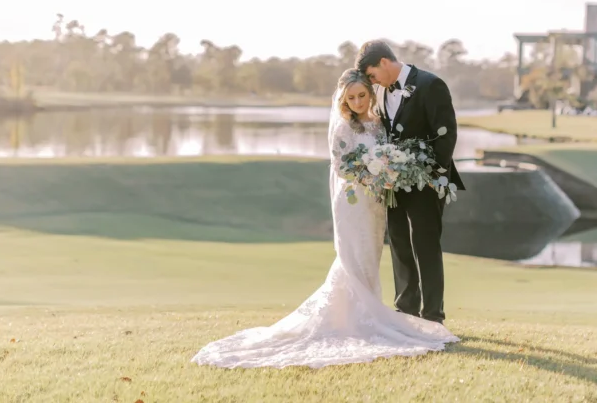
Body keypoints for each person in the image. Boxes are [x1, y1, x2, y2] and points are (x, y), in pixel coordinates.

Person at [191, 69, 458, 369]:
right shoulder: (344, 127)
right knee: (352, 259)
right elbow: (341, 167)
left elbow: (388, 152)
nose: (357, 101)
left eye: (362, 95)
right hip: (353, 202)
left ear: (370, 94)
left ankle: (365, 314)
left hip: (376, 204)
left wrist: (387, 173)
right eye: (351, 97)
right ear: (343, 100)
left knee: (370, 259)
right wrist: (372, 175)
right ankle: (355, 319)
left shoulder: (378, 123)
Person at [356, 40, 465, 325]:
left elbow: (447, 134)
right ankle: (405, 309)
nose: (371, 82)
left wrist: (433, 175)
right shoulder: (380, 92)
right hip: (393, 183)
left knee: (425, 245)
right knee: (400, 242)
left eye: (371, 75)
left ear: (383, 62)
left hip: (426, 182)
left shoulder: (431, 84)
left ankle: (432, 316)